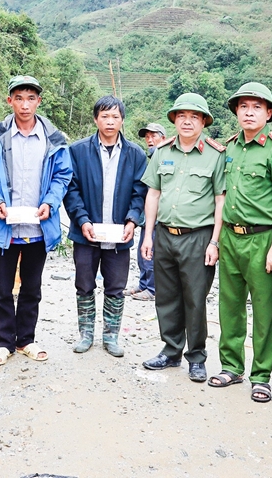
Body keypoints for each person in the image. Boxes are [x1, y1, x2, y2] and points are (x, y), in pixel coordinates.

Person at [208, 82, 272, 404]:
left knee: (263, 310)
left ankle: (261, 375)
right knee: (229, 305)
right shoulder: (230, 147)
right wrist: (216, 240)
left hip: (262, 238)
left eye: (256, 107)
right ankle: (231, 366)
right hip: (231, 236)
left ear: (269, 113)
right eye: (243, 106)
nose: (249, 112)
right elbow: (222, 196)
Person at [0, 75, 72, 366]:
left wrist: (50, 203)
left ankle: (26, 340)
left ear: (38, 101)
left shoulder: (53, 139)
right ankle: (4, 343)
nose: (25, 104)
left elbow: (62, 176)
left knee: (32, 288)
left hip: (37, 227)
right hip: (3, 226)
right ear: (10, 101)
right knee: (2, 289)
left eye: (31, 98)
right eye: (18, 98)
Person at [140, 93, 225, 382]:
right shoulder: (161, 151)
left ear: (204, 121)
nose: (187, 121)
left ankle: (197, 357)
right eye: (182, 116)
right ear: (174, 120)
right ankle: (171, 351)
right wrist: (148, 236)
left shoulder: (216, 155)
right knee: (166, 297)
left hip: (198, 237)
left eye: (194, 116)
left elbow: (220, 201)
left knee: (195, 299)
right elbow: (153, 193)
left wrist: (215, 241)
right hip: (164, 234)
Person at [63, 96, 147, 356]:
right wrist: (82, 219)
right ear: (95, 119)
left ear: (122, 120)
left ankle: (111, 336)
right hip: (85, 233)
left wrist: (132, 219)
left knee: (116, 287)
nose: (110, 122)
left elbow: (140, 192)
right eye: (105, 116)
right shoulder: (78, 151)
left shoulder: (135, 154)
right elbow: (71, 189)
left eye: (115, 117)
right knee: (84, 284)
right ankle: (86, 334)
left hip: (119, 235)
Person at [124, 122, 167, 301]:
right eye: (147, 137)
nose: (149, 139)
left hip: (158, 216)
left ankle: (152, 289)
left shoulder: (164, 156)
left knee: (150, 252)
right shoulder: (151, 158)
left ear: (163, 138)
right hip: (146, 216)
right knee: (142, 252)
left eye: (153, 136)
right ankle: (143, 284)